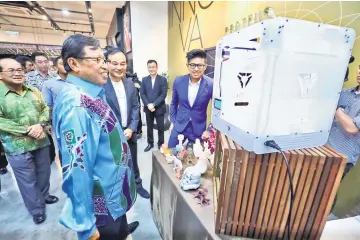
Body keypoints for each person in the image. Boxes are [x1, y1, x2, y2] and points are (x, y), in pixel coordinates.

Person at [53, 34, 137, 240]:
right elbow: (77, 170)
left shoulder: (91, 93)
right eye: (96, 60)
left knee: (120, 231)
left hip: (114, 192)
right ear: (73, 63)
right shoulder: (76, 105)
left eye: (103, 60)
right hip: (102, 205)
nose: (104, 67)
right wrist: (86, 225)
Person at [0, 58, 58, 224]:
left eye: (20, 69)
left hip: (41, 141)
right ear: (0, 75)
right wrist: (29, 130)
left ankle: (45, 196)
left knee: (43, 173)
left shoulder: (33, 91)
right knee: (27, 180)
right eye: (12, 70)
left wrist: (40, 125)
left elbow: (45, 108)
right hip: (17, 146)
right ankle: (36, 209)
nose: (18, 73)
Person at [104, 48, 150, 200]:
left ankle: (137, 185)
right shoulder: (101, 85)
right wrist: (116, 131)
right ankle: (121, 190)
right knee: (116, 165)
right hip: (111, 134)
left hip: (129, 131)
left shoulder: (130, 83)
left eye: (122, 63)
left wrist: (131, 127)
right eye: (114, 63)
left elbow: (136, 107)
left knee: (133, 161)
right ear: (107, 64)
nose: (119, 67)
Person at [168, 49, 213, 148]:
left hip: (198, 129)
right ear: (187, 66)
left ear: (205, 66)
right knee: (170, 153)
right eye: (192, 65)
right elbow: (173, 103)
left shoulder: (210, 84)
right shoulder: (178, 81)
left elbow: (217, 110)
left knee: (195, 158)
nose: (196, 69)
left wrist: (209, 129)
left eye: (200, 65)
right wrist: (173, 121)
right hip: (179, 125)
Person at [327, 64, 360, 178]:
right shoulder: (343, 93)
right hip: (322, 152)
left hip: (342, 159)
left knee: (326, 194)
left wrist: (333, 105)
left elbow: (351, 128)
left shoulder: (335, 96)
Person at [41, 56, 68, 166]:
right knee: (65, 149)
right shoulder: (49, 84)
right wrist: (46, 123)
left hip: (82, 120)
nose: (66, 65)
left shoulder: (80, 81)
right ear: (56, 66)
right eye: (62, 63)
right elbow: (46, 106)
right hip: (62, 123)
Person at [140, 60, 168, 151]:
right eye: (150, 67)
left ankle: (160, 144)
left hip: (159, 107)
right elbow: (142, 93)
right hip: (148, 108)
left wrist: (154, 104)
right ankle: (150, 143)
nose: (151, 69)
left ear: (156, 67)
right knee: (149, 127)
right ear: (147, 68)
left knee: (161, 127)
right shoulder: (144, 80)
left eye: (153, 67)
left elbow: (163, 94)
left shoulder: (163, 80)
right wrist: (148, 104)